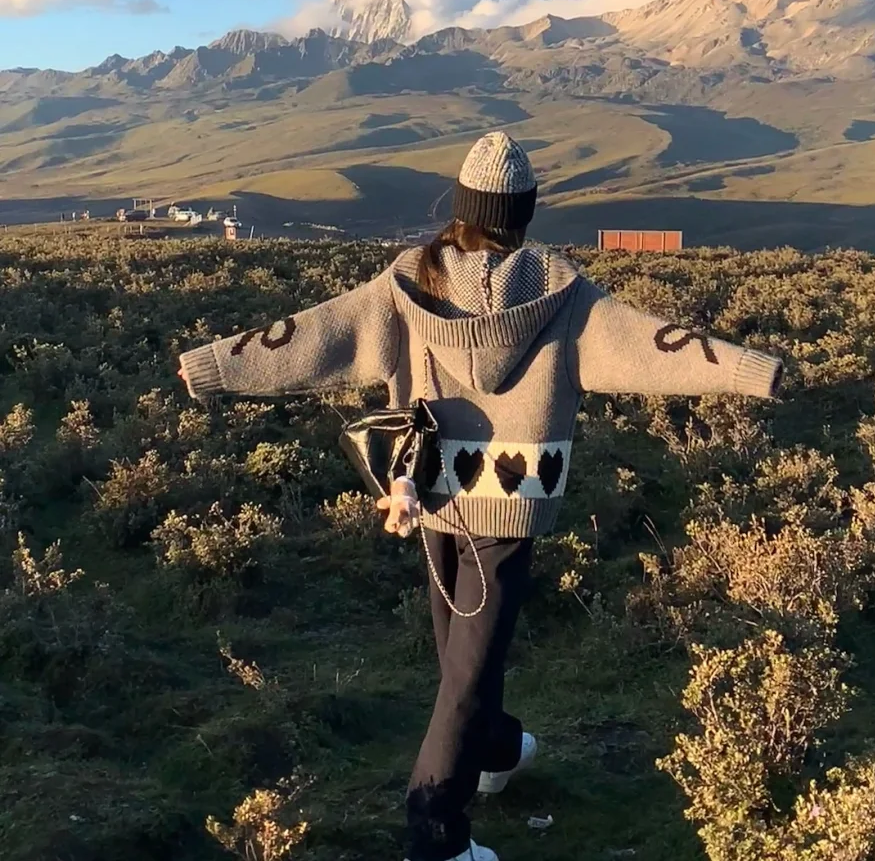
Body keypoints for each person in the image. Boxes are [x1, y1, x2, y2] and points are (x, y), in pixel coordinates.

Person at [177, 132, 782, 861]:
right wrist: (748, 368)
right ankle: (434, 836)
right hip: (512, 498)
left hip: (427, 488)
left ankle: (493, 752)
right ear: (524, 212)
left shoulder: (408, 283)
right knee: (465, 665)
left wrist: (218, 364)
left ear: (462, 209)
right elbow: (653, 343)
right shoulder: (565, 296)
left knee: (461, 659)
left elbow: (318, 335)